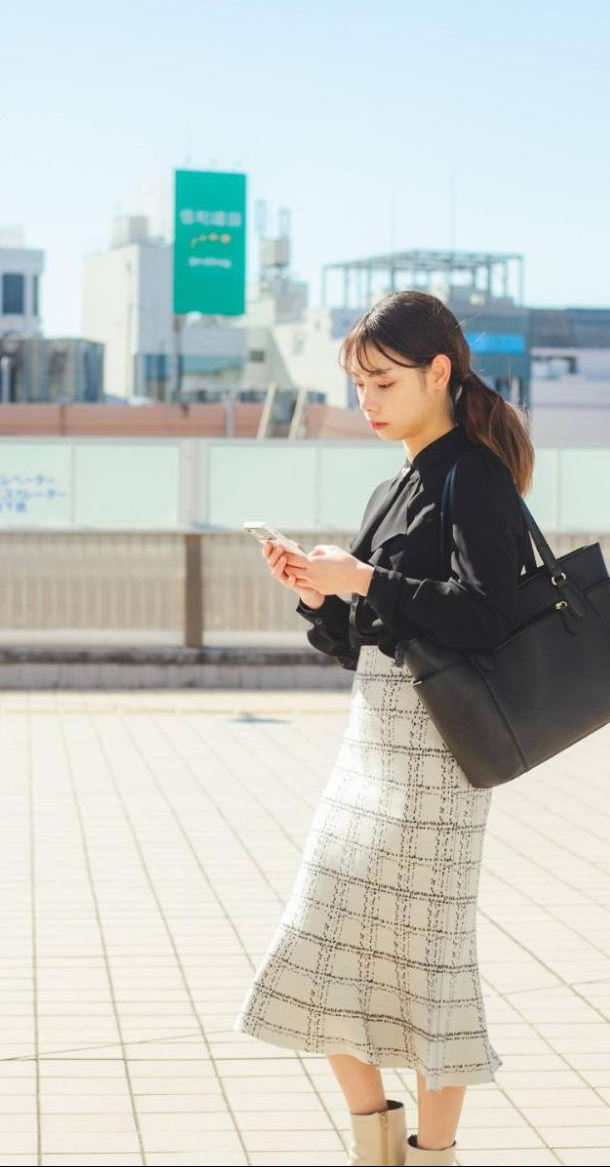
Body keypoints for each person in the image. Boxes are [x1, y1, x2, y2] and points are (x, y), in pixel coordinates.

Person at [232, 288, 537, 1167]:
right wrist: (319, 593)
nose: (367, 399)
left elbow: (487, 616)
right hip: (371, 743)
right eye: (358, 383)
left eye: (384, 380)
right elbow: (365, 641)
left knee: (432, 957)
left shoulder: (470, 473)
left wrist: (362, 579)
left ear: (439, 372)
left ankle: (422, 1154)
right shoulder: (393, 482)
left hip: (441, 752)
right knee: (316, 933)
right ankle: (378, 1146)